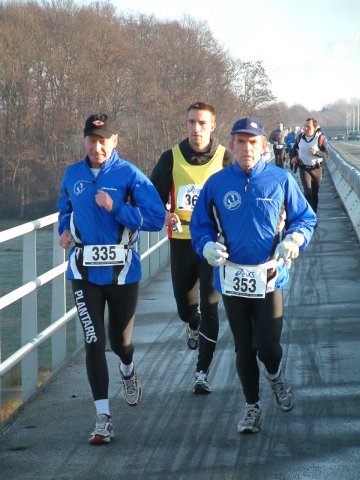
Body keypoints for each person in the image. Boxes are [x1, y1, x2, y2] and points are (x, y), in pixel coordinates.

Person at [190, 117, 316, 434]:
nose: (247, 147)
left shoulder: (281, 180)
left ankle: (274, 376)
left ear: (263, 145)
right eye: (241, 142)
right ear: (232, 145)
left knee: (268, 347)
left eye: (253, 142)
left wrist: (296, 239)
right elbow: (199, 225)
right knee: (244, 347)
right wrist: (205, 246)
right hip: (232, 280)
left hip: (270, 277)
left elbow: (305, 218)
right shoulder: (216, 184)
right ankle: (251, 407)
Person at [57, 113, 165, 445]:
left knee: (119, 343)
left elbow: (156, 218)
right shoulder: (72, 174)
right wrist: (63, 229)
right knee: (93, 341)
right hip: (84, 272)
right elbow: (64, 208)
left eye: (103, 140)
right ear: (84, 141)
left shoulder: (129, 174)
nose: (97, 146)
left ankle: (128, 369)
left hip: (122, 273)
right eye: (91, 140)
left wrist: (116, 207)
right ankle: (103, 417)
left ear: (114, 141)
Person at [150, 101, 233, 394]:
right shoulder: (170, 159)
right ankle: (191, 322)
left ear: (212, 125)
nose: (196, 128)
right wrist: (164, 214)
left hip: (213, 246)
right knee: (186, 308)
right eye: (191, 122)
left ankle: (202, 372)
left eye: (202, 123)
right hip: (183, 243)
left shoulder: (226, 159)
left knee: (211, 307)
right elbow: (152, 198)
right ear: (185, 125)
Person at [292, 118, 329, 214]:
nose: (306, 128)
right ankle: (309, 216)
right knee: (308, 192)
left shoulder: (319, 138)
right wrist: (294, 157)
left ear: (315, 128)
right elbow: (294, 148)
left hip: (317, 169)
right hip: (304, 168)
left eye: (309, 126)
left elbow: (326, 153)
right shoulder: (300, 137)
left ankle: (314, 214)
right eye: (305, 126)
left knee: (314, 194)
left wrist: (316, 152)